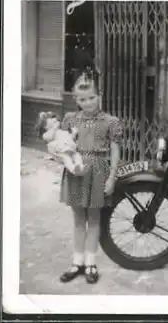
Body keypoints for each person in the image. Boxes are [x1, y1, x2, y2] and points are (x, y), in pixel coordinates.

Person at [58, 77, 123, 284]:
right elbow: (62, 144)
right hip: (77, 172)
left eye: (92, 97)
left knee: (94, 218)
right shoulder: (70, 119)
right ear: (76, 99)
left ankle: (91, 262)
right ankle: (77, 262)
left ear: (100, 96)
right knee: (78, 219)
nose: (88, 103)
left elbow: (114, 150)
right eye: (83, 99)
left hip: (98, 172)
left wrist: (112, 176)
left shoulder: (110, 122)